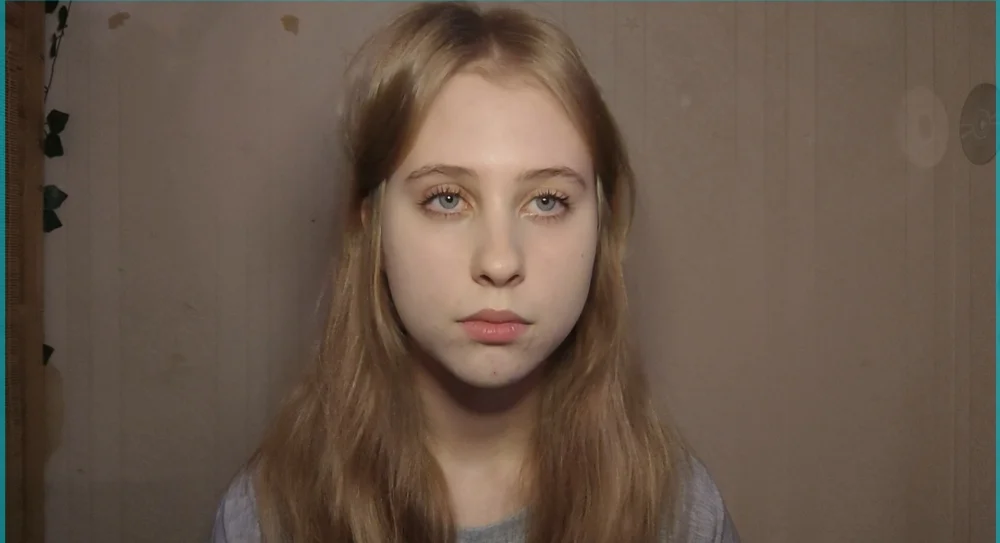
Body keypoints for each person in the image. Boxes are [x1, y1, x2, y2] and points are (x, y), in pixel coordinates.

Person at [211, 2, 740, 542]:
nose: (500, 262)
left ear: (601, 226)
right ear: (372, 227)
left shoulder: (681, 516)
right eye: (446, 198)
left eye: (547, 201)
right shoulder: (266, 518)